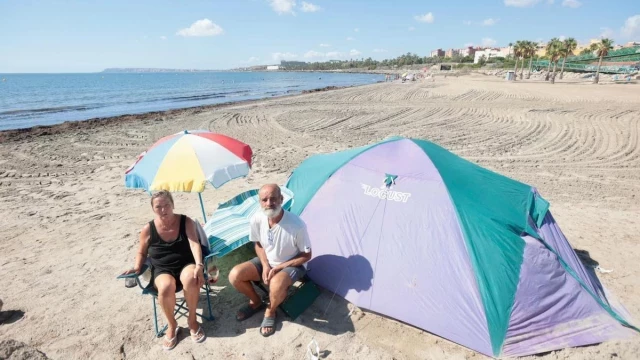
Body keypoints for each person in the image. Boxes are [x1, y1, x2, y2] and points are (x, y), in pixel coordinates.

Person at [121, 190, 206, 350]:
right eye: (158, 206)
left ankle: (192, 320)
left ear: (172, 204)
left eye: (166, 205)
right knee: (166, 286)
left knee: (191, 277)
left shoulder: (185, 221)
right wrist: (137, 267)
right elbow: (141, 251)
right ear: (153, 209)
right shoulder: (148, 229)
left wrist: (199, 265)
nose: (163, 209)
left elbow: (194, 243)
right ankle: (172, 325)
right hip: (161, 269)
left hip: (185, 263)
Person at [228, 184, 312, 337]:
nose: (269, 203)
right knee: (235, 275)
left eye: (273, 199)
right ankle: (256, 301)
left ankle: (271, 311)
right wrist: (266, 265)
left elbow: (306, 255)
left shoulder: (297, 225)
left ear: (281, 199)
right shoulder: (257, 218)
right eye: (264, 200)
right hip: (267, 260)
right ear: (260, 202)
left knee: (276, 283)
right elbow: (258, 243)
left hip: (292, 264)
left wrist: (280, 267)